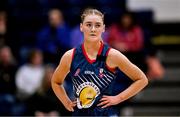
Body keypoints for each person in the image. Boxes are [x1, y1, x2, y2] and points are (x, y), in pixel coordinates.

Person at [51, 8, 148, 116]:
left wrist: (118, 98)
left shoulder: (112, 55)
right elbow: (56, 82)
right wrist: (66, 102)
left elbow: (142, 79)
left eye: (97, 25)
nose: (93, 29)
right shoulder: (70, 56)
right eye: (88, 25)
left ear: (103, 28)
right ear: (81, 27)